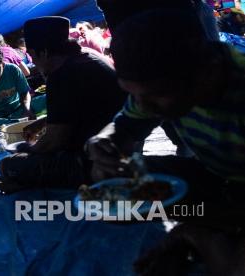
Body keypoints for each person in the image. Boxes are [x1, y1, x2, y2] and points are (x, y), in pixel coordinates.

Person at [84, 9, 245, 274]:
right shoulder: (162, 82)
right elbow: (123, 129)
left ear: (206, 72)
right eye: (134, 95)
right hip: (216, 177)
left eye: (155, 95)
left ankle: (201, 233)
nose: (144, 107)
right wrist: (103, 144)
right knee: (105, 193)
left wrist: (196, 229)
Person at [0, 16, 126, 193]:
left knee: (7, 165)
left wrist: (28, 149)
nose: (33, 61)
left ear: (44, 52)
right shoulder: (89, 57)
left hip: (97, 163)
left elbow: (54, 142)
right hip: (124, 148)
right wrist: (44, 121)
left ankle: (28, 183)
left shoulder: (61, 75)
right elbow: (85, 107)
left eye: (33, 55)